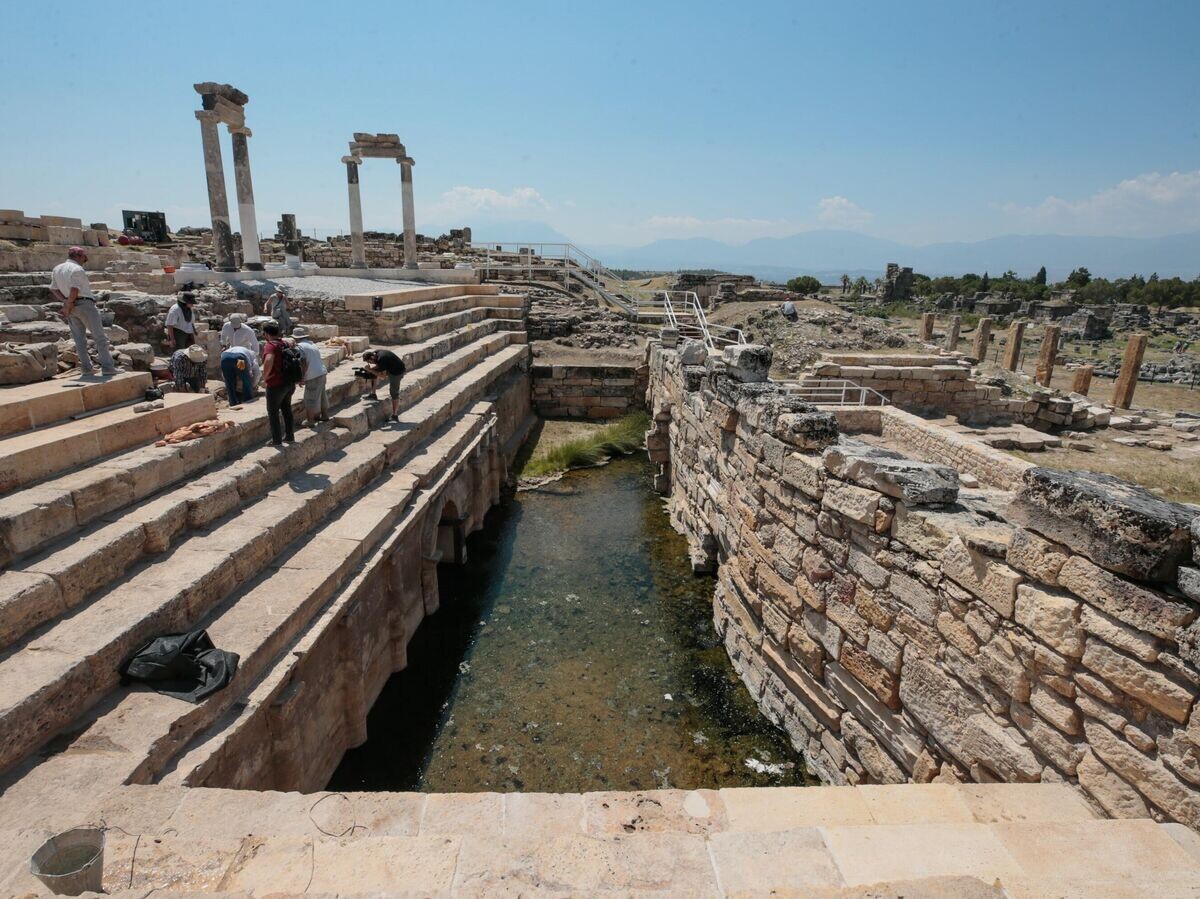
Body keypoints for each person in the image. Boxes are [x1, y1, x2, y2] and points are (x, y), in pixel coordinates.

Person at [49, 246, 119, 377]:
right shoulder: (77, 269)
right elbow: (74, 289)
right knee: (100, 337)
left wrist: (66, 302)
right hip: (84, 304)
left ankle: (87, 369)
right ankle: (108, 368)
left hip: (71, 307)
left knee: (79, 340)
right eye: (84, 257)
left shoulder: (57, 268)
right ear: (78, 256)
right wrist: (69, 302)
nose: (85, 259)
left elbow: (54, 289)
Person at [261, 321, 296, 446]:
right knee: (287, 409)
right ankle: (290, 436)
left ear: (266, 334)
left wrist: (265, 377)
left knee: (273, 412)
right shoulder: (285, 343)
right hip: (289, 382)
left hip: (276, 384)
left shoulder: (270, 345)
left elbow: (269, 359)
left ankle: (276, 440)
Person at [292, 327, 329, 426]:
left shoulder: (299, 347)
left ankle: (310, 420)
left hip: (312, 375)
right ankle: (325, 415)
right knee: (322, 395)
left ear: (296, 338)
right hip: (322, 372)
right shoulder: (312, 344)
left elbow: (303, 363)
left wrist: (302, 378)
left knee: (310, 398)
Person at [361, 348, 406, 423]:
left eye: (369, 362)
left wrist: (370, 370)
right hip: (390, 366)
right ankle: (373, 394)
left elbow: (383, 377)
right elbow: (379, 366)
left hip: (397, 371)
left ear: (372, 357)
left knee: (394, 392)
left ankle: (395, 416)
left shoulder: (381, 359)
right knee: (372, 373)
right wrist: (371, 370)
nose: (370, 364)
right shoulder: (376, 353)